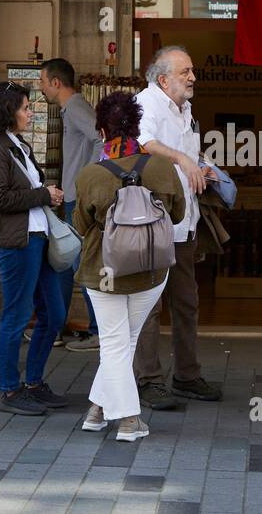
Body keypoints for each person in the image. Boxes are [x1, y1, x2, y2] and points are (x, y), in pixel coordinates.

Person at [72, 92, 186, 442]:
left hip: (102, 272)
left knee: (115, 343)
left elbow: (80, 225)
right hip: (151, 272)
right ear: (137, 126)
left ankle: (125, 419)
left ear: (102, 131)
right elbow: (178, 214)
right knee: (125, 341)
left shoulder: (90, 175)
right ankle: (101, 410)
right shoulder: (163, 168)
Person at [132, 46, 224, 409]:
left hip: (184, 223)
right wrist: (183, 158)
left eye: (192, 71)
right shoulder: (146, 103)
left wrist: (201, 167)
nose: (192, 77)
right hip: (153, 222)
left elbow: (183, 160)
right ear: (163, 78)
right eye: (185, 71)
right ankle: (148, 380)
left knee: (186, 302)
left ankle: (186, 375)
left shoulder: (184, 109)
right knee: (150, 304)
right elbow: (143, 143)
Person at [0, 81, 70, 415]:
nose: (31, 112)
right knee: (15, 317)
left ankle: (34, 383)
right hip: (15, 243)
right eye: (25, 107)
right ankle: (10, 391)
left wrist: (46, 192)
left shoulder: (17, 145)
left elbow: (23, 191)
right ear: (8, 111)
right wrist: (44, 194)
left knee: (55, 314)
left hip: (37, 240)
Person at [36, 57, 102, 352]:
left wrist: (85, 178)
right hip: (74, 197)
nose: (40, 87)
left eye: (42, 81)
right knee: (65, 262)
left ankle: (98, 331)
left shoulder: (75, 107)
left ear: (55, 82)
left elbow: (101, 139)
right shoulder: (70, 109)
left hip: (80, 199)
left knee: (80, 263)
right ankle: (56, 327)